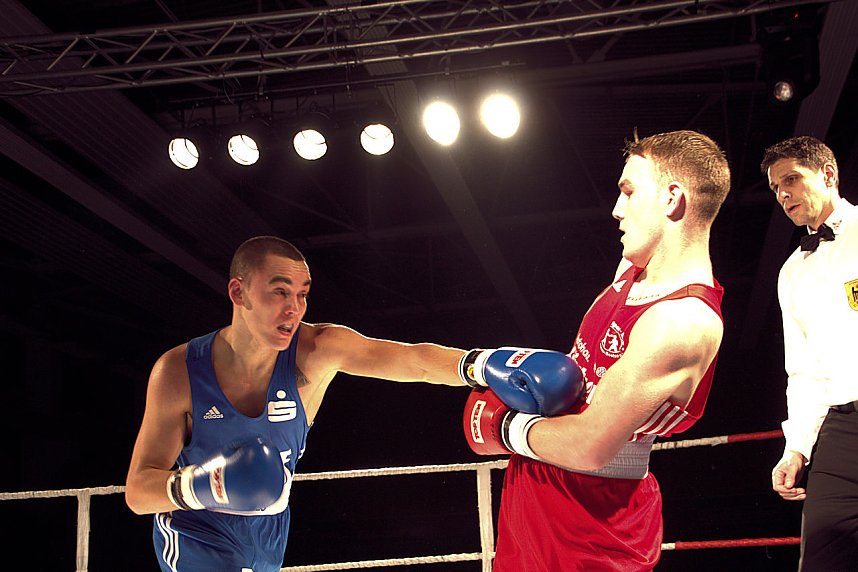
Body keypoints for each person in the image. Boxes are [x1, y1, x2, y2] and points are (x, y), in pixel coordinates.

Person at [125, 235, 582, 572]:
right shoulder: (179, 371)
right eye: (279, 291)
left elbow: (411, 360)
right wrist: (203, 487)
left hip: (268, 538)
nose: (294, 308)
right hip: (194, 534)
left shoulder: (317, 350)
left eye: (302, 295)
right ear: (238, 293)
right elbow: (137, 492)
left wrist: (482, 366)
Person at [462, 130, 730, 570]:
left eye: (629, 192)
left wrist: (504, 425)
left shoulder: (684, 321)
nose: (616, 209)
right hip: (531, 494)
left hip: (593, 525)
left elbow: (590, 446)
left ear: (672, 199)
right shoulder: (630, 272)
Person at [763, 136, 858, 570]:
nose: (783, 194)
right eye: (776, 188)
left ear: (829, 175)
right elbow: (800, 370)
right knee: (821, 557)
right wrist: (796, 448)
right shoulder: (791, 272)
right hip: (840, 426)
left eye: (791, 180)